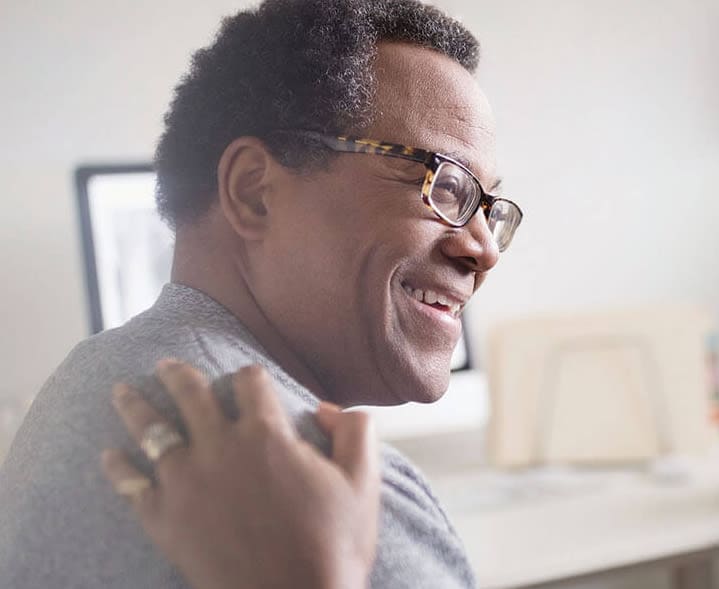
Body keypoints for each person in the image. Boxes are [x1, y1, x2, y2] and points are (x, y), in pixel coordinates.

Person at [0, 0, 522, 587]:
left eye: (487, 206)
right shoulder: (312, 481)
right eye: (443, 183)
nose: (484, 249)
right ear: (254, 192)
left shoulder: (90, 378)